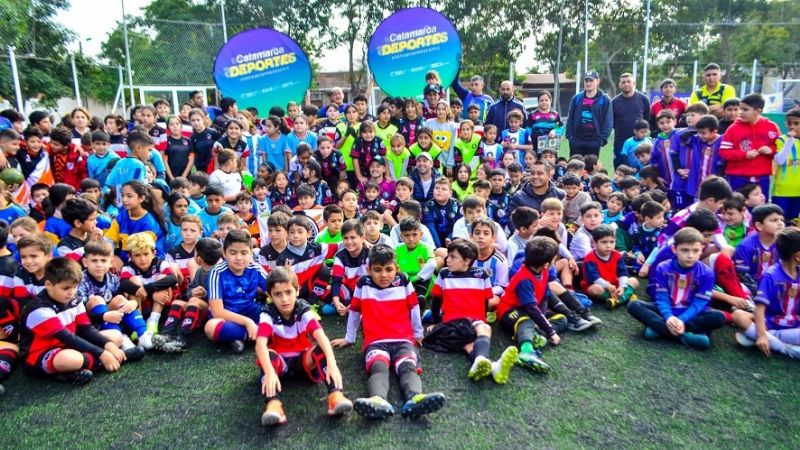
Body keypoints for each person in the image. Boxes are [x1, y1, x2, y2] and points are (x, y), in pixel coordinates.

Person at [331, 244, 445, 420]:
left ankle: (415, 398)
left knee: (407, 367)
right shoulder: (363, 283)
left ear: (396, 269)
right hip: (376, 342)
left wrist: (418, 333)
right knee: (379, 368)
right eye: (377, 270)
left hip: (403, 339)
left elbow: (414, 307)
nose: (383, 275)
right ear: (368, 270)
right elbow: (354, 311)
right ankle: (377, 400)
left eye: (389, 270)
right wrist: (349, 337)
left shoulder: (404, 280)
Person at [257, 266, 352, 426]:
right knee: (267, 354)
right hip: (280, 364)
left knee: (322, 348)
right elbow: (260, 344)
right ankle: (273, 404)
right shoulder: (267, 313)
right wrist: (269, 372)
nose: (284, 299)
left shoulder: (303, 309)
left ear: (297, 290)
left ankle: (335, 396)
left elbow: (320, 335)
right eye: (278, 294)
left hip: (303, 360)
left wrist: (332, 363)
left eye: (288, 292)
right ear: (270, 296)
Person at [19, 258, 136, 385]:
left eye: (75, 287)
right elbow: (66, 337)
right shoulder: (38, 309)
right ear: (48, 285)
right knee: (70, 359)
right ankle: (102, 362)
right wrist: (102, 353)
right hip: (40, 354)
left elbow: (86, 328)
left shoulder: (75, 299)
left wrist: (109, 345)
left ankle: (82, 367)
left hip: (68, 344)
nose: (72, 292)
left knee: (115, 337)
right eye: (66, 288)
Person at [424, 238, 518, 384]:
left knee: (477, 334)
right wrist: (436, 322)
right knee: (475, 336)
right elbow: (436, 301)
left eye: (453, 257)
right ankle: (491, 365)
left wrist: (482, 318)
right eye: (448, 255)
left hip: (472, 321)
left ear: (467, 261)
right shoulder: (444, 274)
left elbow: (485, 301)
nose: (447, 259)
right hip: (451, 323)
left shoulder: (482, 275)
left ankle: (482, 362)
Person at [628, 228, 726, 349]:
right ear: (675, 249)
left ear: (702, 250)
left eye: (696, 251)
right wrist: (669, 317)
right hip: (668, 309)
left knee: (719, 317)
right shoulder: (663, 267)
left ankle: (661, 329)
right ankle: (685, 336)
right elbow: (662, 297)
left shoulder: (707, 273)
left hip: (693, 313)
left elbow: (700, 302)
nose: (690, 255)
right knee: (634, 305)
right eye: (685, 250)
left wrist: (682, 320)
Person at [732, 227, 800, 359]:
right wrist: (762, 335)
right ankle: (786, 349)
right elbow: (759, 310)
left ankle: (760, 338)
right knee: (738, 316)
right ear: (798, 256)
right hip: (771, 323)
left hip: (795, 326)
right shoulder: (771, 276)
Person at [204, 230, 267, 354]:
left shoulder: (255, 268)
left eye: (244, 253)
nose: (239, 258)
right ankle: (261, 334)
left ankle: (241, 337)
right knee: (210, 327)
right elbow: (217, 312)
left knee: (277, 314)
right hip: (228, 319)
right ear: (224, 253)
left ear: (251, 253)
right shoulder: (217, 272)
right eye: (233, 252)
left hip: (252, 312)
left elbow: (274, 290)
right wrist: (248, 323)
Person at [719, 93, 780, 195]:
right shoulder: (733, 129)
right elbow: (724, 152)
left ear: (758, 111)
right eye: (741, 109)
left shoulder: (771, 127)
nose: (741, 112)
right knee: (737, 207)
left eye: (745, 109)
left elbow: (780, 149)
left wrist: (771, 150)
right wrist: (745, 155)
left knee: (760, 209)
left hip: (762, 177)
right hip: (738, 177)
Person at [565, 70, 613, 157]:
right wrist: (570, 138)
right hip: (577, 141)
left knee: (591, 169)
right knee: (575, 168)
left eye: (591, 80)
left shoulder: (605, 99)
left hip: (594, 141)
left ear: (598, 81)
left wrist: (601, 140)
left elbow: (608, 122)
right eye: (586, 81)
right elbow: (570, 119)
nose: (588, 83)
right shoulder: (576, 98)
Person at [612, 73, 651, 167]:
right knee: (621, 172)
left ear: (634, 83)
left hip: (640, 144)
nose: (626, 84)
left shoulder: (643, 99)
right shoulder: (614, 102)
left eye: (629, 81)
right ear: (620, 85)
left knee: (641, 172)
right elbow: (612, 123)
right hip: (620, 143)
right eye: (623, 82)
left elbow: (647, 118)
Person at [772, 108, 800, 222]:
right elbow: (780, 161)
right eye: (789, 123)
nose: (792, 126)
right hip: (782, 191)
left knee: (794, 222)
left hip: (798, 191)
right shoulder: (782, 140)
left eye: (796, 123)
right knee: (780, 221)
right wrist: (790, 140)